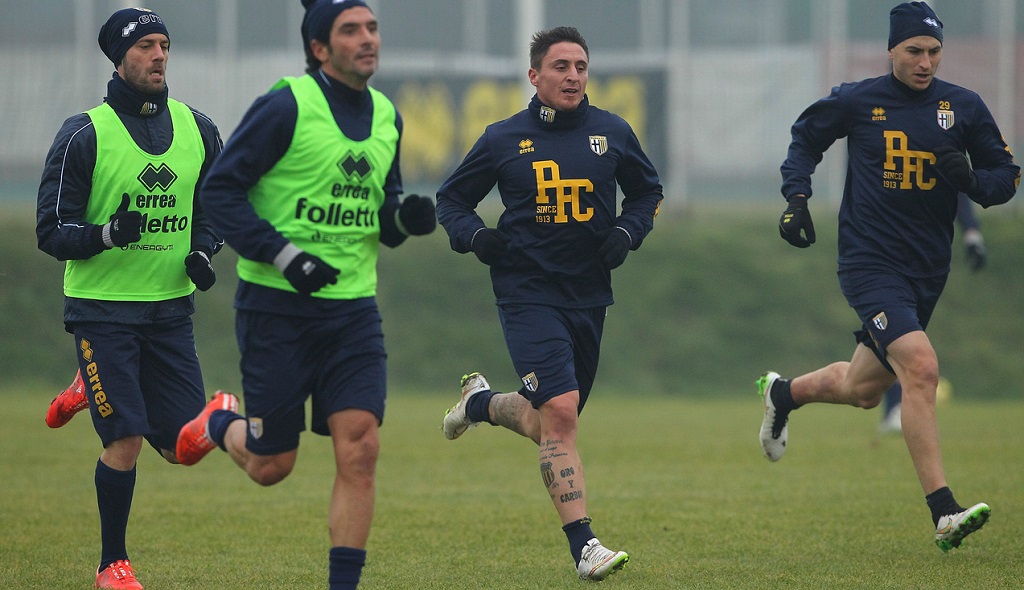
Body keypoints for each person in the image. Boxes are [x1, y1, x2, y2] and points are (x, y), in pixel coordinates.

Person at [173, 2, 436, 589]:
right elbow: (221, 194)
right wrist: (286, 256)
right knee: (272, 466)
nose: (367, 39)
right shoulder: (286, 105)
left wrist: (404, 217)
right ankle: (221, 422)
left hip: (353, 312)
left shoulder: (388, 115)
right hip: (276, 311)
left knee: (361, 448)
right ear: (320, 48)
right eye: (350, 31)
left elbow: (380, 217)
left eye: (371, 28)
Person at [759, 1, 1018, 553]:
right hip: (869, 263)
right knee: (920, 369)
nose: (925, 62)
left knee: (862, 390)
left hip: (928, 269)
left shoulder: (962, 107)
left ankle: (783, 394)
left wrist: (969, 180)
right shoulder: (859, 100)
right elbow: (805, 139)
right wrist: (796, 199)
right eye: (914, 51)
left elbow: (1004, 179)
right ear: (892, 51)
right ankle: (943, 511)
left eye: (933, 52)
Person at [436, 26, 663, 581]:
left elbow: (648, 193)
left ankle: (481, 403)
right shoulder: (501, 138)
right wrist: (477, 238)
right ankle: (585, 546)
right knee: (560, 415)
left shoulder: (612, 132)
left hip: (588, 296)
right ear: (535, 76)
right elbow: (451, 201)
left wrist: (628, 233)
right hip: (526, 292)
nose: (573, 76)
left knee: (549, 423)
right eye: (560, 67)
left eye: (581, 66)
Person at [35, 7, 224, 589]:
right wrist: (108, 235)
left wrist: (203, 250)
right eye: (145, 46)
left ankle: (87, 389)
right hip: (102, 312)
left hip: (170, 312)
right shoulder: (83, 135)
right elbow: (50, 233)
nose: (159, 55)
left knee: (186, 447)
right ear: (119, 59)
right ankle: (110, 565)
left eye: (164, 44)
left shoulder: (200, 130)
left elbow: (216, 208)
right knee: (126, 438)